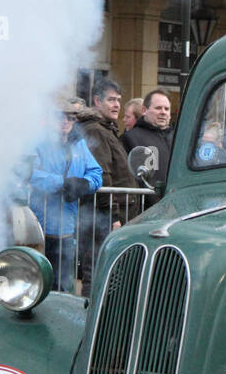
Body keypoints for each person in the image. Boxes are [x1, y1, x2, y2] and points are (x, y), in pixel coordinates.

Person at [75, 78, 141, 286]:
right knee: (98, 275)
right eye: (111, 100)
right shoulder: (95, 130)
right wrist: (114, 218)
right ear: (97, 101)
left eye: (119, 100)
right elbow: (103, 177)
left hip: (114, 216)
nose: (116, 105)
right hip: (104, 218)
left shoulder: (107, 129)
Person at [28, 108, 102, 293]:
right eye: (60, 117)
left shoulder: (79, 144)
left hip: (67, 227)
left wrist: (85, 184)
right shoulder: (37, 143)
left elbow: (96, 173)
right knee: (39, 282)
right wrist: (62, 183)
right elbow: (28, 173)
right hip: (41, 225)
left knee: (63, 284)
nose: (65, 122)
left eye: (70, 118)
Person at [121, 89, 173, 191]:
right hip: (147, 204)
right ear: (144, 110)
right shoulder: (130, 138)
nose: (163, 112)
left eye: (166, 109)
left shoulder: (177, 138)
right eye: (158, 108)